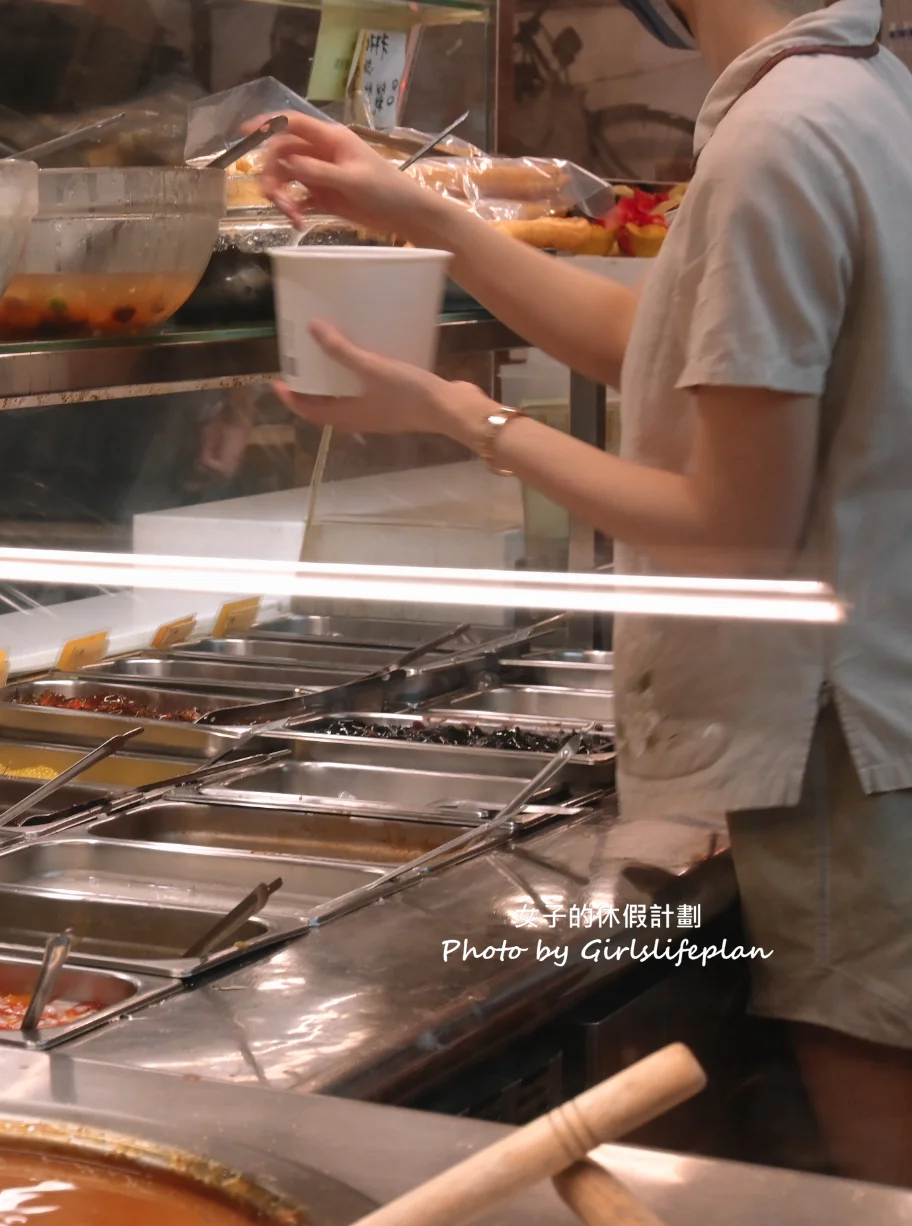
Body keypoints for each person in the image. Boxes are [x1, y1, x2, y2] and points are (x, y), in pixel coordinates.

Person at [258, 0, 912, 1186]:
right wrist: (422, 213)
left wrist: (460, 415)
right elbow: (656, 342)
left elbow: (732, 528)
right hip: (871, 730)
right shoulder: (854, 93)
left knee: (880, 1183)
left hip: (844, 771)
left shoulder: (778, 136)